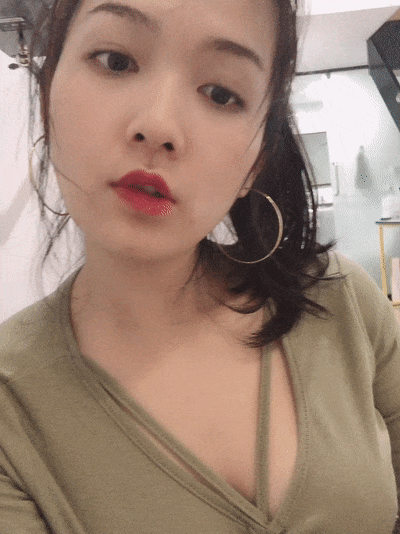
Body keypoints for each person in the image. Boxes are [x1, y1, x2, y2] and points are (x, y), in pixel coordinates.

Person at [1, 0, 400, 532]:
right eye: (116, 61)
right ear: (48, 92)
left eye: (221, 93)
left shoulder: (340, 300)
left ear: (255, 163)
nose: (158, 125)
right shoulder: (11, 406)